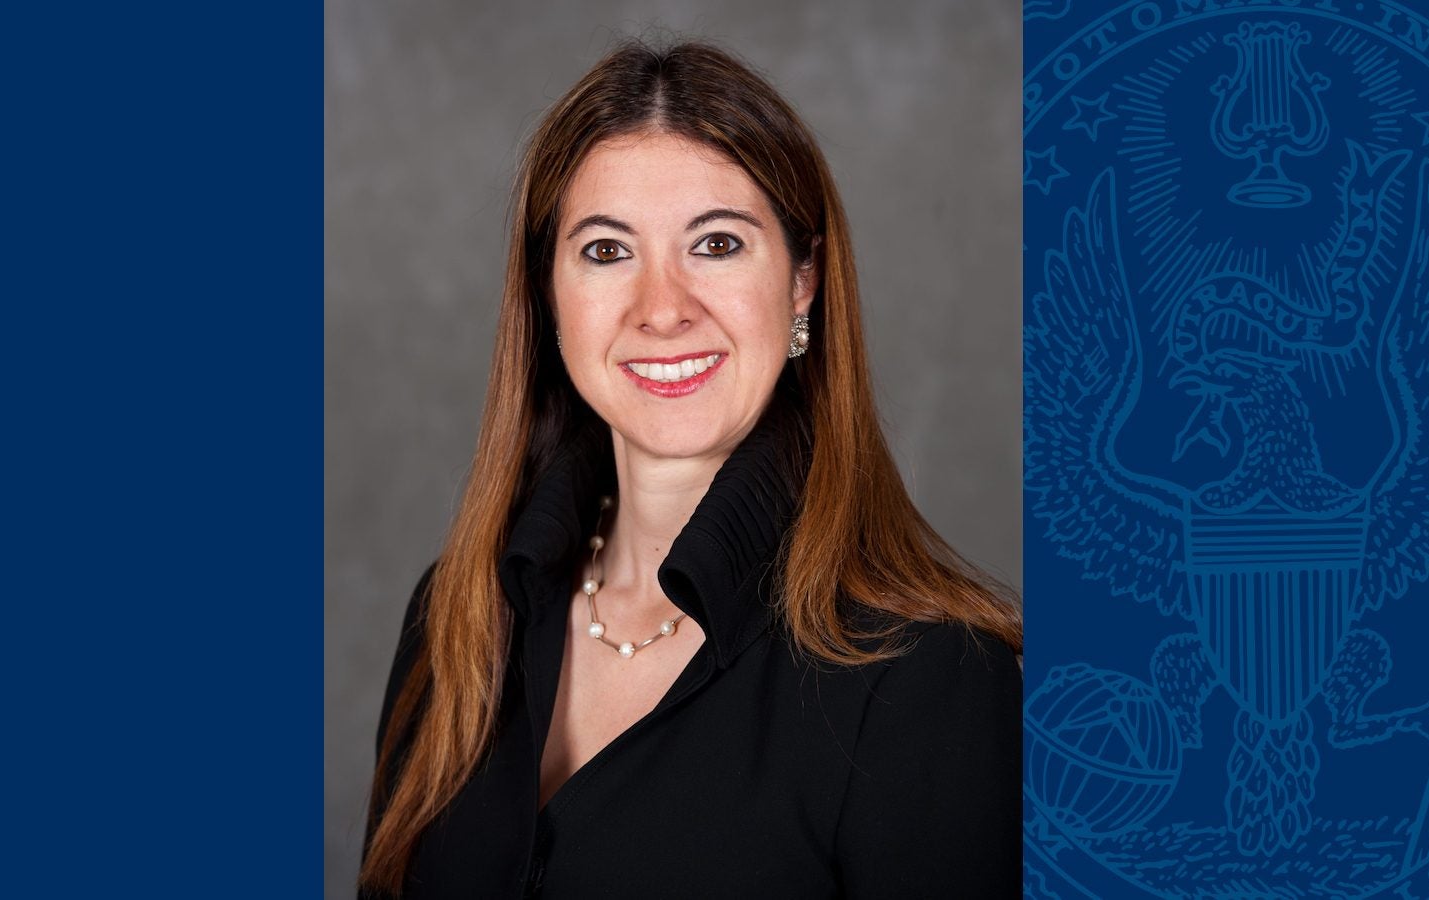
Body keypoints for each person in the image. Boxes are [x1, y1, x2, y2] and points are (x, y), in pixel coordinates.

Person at [358, 39, 1023, 898]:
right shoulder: (455, 621)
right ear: (548, 297)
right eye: (606, 251)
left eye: (716, 244)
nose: (663, 309)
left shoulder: (931, 682)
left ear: (802, 281)